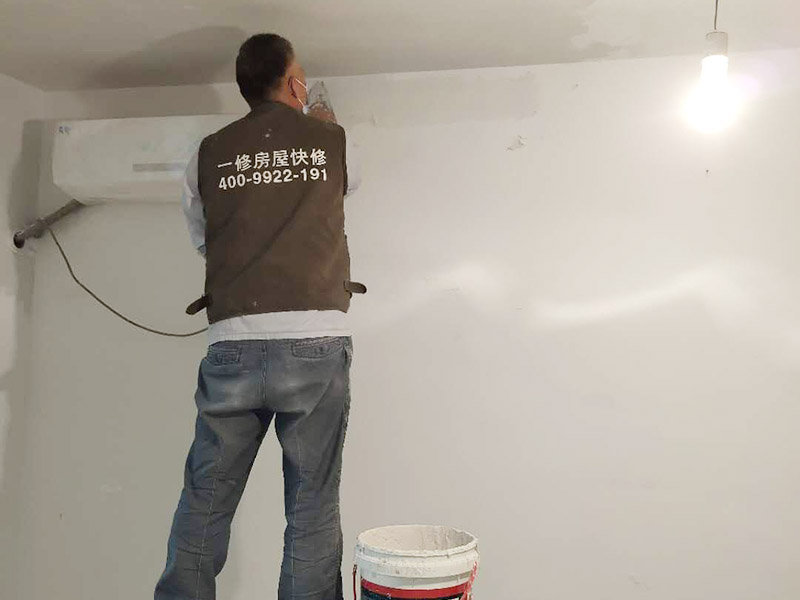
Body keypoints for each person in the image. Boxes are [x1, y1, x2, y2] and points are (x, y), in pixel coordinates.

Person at [154, 33, 364, 600]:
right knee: (312, 502)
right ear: (296, 84)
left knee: (206, 498)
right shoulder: (332, 140)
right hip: (315, 343)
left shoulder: (207, 153)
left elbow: (207, 242)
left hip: (233, 343)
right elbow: (347, 187)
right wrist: (322, 123)